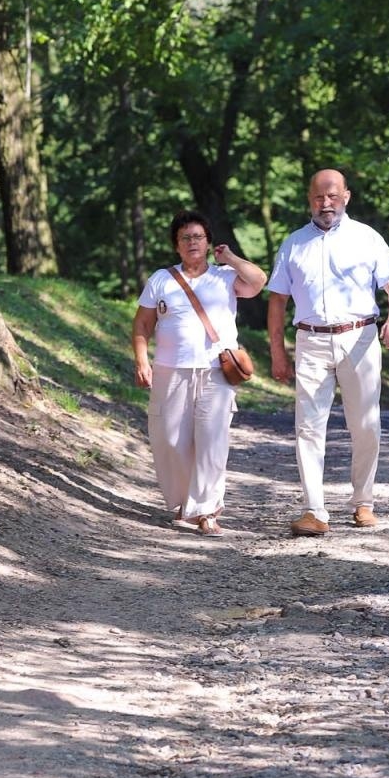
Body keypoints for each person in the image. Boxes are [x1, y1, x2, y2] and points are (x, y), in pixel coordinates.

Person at [267, 169, 389, 536]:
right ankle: (314, 511)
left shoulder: (367, 238)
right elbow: (277, 301)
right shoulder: (293, 244)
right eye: (318, 197)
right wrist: (278, 352)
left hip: (359, 338)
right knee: (308, 428)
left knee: (365, 425)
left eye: (332, 196)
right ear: (308, 199)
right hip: (310, 341)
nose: (325, 203)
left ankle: (363, 502)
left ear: (346, 196)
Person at [132, 211, 267, 537]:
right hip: (170, 370)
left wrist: (231, 257)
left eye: (198, 237)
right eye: (185, 238)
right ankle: (183, 503)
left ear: (208, 242)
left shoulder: (224, 277)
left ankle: (206, 510)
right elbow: (142, 324)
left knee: (211, 441)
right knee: (171, 439)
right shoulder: (161, 279)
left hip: (215, 372)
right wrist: (141, 360)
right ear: (176, 245)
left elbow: (259, 280)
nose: (192, 242)